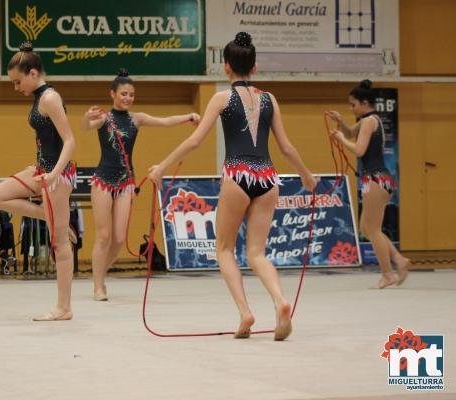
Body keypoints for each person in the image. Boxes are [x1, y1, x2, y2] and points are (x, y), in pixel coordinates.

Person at [148, 32, 318, 340]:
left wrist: (161, 167)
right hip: (267, 178)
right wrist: (306, 175)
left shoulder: (221, 98)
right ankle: (280, 301)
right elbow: (287, 147)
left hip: (238, 175)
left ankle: (245, 312)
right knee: (257, 253)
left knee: (224, 249)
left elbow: (195, 140)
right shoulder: (270, 99)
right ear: (254, 68)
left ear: (226, 67)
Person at [81, 69, 200, 301]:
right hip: (103, 181)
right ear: (112, 94)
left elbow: (165, 122)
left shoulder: (137, 119)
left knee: (118, 238)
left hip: (126, 182)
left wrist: (189, 117)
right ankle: (98, 286)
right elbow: (86, 127)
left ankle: (99, 274)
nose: (127, 98)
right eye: (123, 93)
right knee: (103, 236)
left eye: (131, 94)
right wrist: (87, 116)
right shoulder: (104, 118)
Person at [0, 41, 76, 321]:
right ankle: (50, 217)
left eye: (18, 81)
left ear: (34, 73)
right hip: (42, 170)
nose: (17, 88)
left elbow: (70, 141)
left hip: (58, 174)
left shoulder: (50, 98)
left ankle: (64, 308)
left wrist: (54, 173)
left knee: (60, 242)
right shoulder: (38, 98)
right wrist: (41, 168)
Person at [327, 80, 410, 289]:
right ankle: (399, 260)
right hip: (377, 179)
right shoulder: (370, 120)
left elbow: (359, 149)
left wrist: (339, 138)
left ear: (365, 103)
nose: (351, 108)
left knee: (372, 229)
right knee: (367, 227)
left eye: (353, 105)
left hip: (376, 179)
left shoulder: (369, 122)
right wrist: (341, 123)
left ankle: (387, 273)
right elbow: (350, 133)